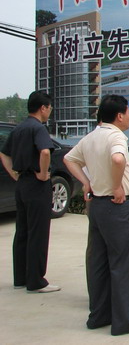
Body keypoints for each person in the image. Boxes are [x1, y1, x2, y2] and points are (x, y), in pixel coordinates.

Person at [64, 94, 129, 336]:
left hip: (97, 206)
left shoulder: (91, 137)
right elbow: (118, 159)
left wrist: (86, 182)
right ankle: (123, 322)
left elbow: (69, 159)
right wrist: (117, 186)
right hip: (119, 206)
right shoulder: (116, 136)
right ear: (119, 115)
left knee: (97, 262)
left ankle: (98, 316)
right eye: (128, 112)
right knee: (123, 264)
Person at [0, 91, 60, 294]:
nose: (49, 112)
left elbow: (3, 153)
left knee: (23, 231)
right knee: (38, 232)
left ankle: (20, 278)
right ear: (43, 108)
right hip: (36, 185)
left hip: (22, 184)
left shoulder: (18, 128)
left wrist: (14, 174)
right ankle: (36, 281)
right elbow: (45, 151)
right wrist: (43, 174)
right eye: (49, 108)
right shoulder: (38, 128)